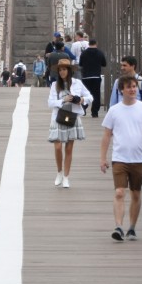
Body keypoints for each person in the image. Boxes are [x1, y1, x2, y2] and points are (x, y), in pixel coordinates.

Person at [99, 74, 142, 241]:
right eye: (129, 87)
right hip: (120, 157)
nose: (132, 90)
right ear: (121, 90)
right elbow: (106, 136)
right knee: (119, 192)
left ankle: (132, 227)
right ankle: (118, 226)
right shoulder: (114, 110)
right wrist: (102, 158)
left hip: (138, 158)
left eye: (134, 87)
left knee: (136, 194)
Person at [47, 58, 94, 188]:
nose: (62, 72)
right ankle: (59, 172)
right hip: (58, 117)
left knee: (69, 148)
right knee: (57, 147)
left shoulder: (77, 83)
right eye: (60, 70)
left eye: (64, 69)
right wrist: (63, 100)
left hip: (72, 117)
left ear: (69, 70)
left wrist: (81, 100)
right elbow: (50, 103)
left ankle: (66, 177)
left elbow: (90, 97)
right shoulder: (54, 85)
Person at [78, 37, 108, 118]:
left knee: (85, 94)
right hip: (96, 77)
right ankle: (94, 112)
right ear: (96, 43)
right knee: (96, 94)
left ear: (89, 44)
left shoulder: (84, 53)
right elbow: (104, 64)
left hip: (85, 77)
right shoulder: (100, 53)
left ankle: (83, 108)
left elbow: (80, 64)